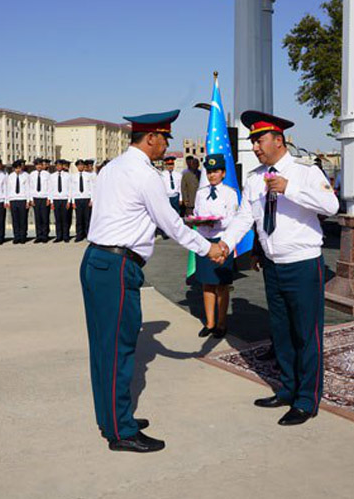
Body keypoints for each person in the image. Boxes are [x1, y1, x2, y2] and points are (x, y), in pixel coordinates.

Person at [82, 109, 224, 453]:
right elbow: (172, 225)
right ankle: (122, 431)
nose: (165, 146)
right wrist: (209, 249)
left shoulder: (112, 167)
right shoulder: (146, 175)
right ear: (150, 138)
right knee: (119, 350)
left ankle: (112, 416)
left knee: (104, 348)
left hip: (98, 260)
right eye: (164, 139)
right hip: (117, 265)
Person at [219, 111, 339, 427]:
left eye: (259, 140)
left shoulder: (305, 172)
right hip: (273, 266)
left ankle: (306, 400)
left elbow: (332, 207)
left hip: (302, 264)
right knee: (282, 333)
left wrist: (289, 189)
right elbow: (246, 217)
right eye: (253, 141)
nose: (255, 146)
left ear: (278, 140)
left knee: (306, 334)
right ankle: (287, 389)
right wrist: (225, 245)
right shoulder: (255, 178)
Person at [192, 154, 239, 339]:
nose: (212, 175)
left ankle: (221, 323)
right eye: (209, 172)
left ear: (223, 173)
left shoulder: (230, 193)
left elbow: (234, 219)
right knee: (206, 283)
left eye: (216, 171)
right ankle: (209, 323)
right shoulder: (201, 193)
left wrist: (216, 223)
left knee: (221, 284)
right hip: (204, 241)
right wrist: (198, 221)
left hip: (221, 240)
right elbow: (196, 212)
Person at [6, 159, 30, 244]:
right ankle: (16, 236)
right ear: (13, 168)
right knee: (15, 219)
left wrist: (28, 201)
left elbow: (28, 189)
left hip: (22, 199)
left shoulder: (26, 175)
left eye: (19, 168)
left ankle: (23, 236)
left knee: (23, 219)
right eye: (16, 168)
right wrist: (7, 201)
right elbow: (8, 189)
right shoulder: (10, 176)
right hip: (13, 200)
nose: (18, 170)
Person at [30, 158, 52, 243]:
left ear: (42, 165)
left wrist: (49, 198)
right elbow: (30, 187)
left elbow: (50, 187)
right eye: (37, 164)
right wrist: (31, 199)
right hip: (36, 198)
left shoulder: (47, 174)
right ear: (35, 166)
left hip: (44, 197)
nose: (39, 166)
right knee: (38, 217)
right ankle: (38, 235)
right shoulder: (32, 174)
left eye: (40, 164)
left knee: (45, 217)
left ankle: (45, 235)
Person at [50, 159, 72, 243]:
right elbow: (50, 189)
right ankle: (59, 236)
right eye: (57, 165)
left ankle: (66, 236)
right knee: (58, 219)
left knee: (65, 219)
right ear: (55, 167)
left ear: (62, 166)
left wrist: (69, 201)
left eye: (60, 165)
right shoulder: (52, 176)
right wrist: (51, 201)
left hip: (64, 199)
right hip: (56, 199)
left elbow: (70, 188)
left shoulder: (67, 176)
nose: (59, 167)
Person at [72, 159, 94, 242]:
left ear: (84, 166)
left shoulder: (89, 176)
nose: (80, 166)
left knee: (87, 218)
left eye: (82, 165)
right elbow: (72, 189)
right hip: (77, 199)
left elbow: (92, 188)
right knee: (79, 218)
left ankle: (88, 235)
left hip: (86, 198)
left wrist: (92, 200)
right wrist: (73, 201)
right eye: (78, 165)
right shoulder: (73, 176)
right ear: (77, 167)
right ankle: (79, 235)